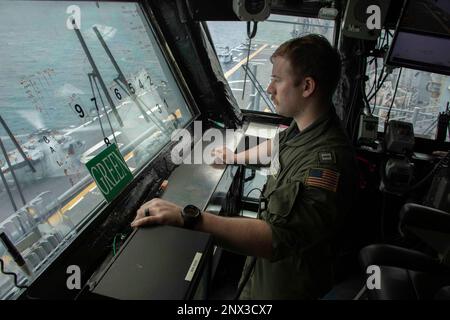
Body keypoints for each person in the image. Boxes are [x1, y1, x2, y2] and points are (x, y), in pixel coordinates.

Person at [131, 34, 358, 299]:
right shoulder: (308, 127)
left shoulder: (327, 163)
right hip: (263, 276)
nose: (270, 88)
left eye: (277, 79)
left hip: (287, 288)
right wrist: (234, 157)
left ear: (307, 87)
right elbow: (278, 144)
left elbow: (274, 239)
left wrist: (188, 217)